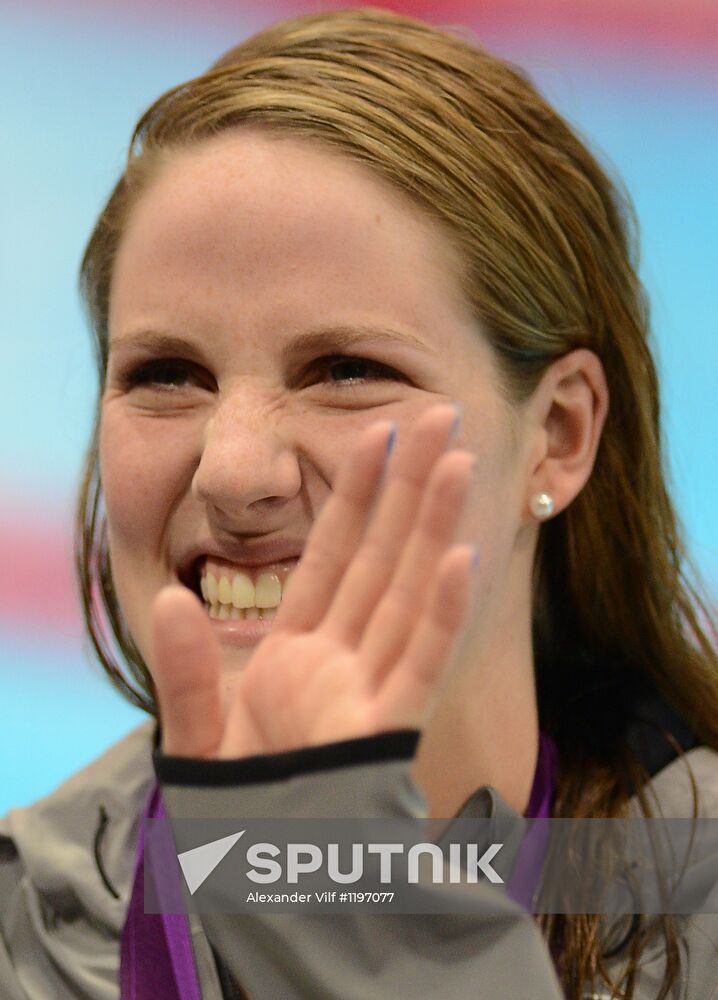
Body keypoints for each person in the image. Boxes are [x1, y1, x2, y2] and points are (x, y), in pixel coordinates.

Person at [1, 6, 717, 999]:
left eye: (345, 368)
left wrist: (358, 922)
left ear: (557, 434)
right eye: (167, 373)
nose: (232, 470)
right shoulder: (26, 930)